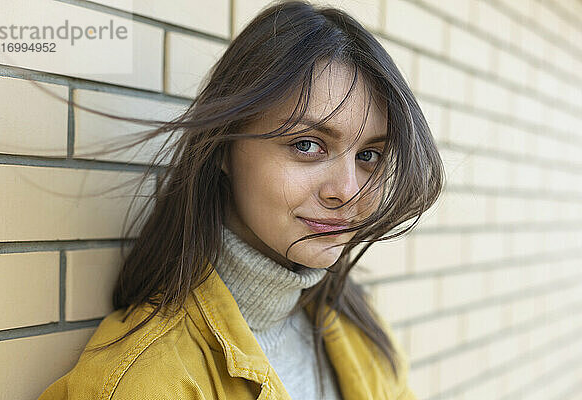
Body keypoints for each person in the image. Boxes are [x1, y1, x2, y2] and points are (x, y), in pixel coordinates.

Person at [38, 1, 444, 399]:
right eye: (307, 145)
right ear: (225, 148)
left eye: (368, 156)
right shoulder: (146, 381)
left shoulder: (358, 328)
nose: (348, 191)